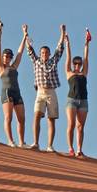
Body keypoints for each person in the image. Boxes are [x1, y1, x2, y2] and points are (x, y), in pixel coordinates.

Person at [26, 24, 67, 152]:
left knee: (51, 119)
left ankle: (49, 146)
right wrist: (25, 33)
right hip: (40, 92)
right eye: (42, 52)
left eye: (46, 52)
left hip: (51, 92)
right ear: (40, 53)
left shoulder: (53, 60)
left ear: (49, 54)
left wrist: (62, 32)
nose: (44, 54)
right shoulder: (36, 61)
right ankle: (36, 143)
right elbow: (29, 49)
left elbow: (60, 48)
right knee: (37, 115)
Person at [0, 24, 29, 148]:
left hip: (17, 93)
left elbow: (20, 53)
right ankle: (10, 140)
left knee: (22, 118)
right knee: (8, 117)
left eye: (10, 56)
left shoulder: (14, 66)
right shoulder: (0, 67)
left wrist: (24, 36)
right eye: (6, 56)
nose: (8, 58)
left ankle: (22, 142)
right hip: (7, 92)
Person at [65, 28, 92, 157]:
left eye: (79, 63)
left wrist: (87, 43)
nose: (77, 65)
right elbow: (68, 56)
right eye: (75, 63)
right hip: (72, 100)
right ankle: (70, 148)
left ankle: (79, 149)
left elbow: (86, 56)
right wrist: (67, 43)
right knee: (71, 124)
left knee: (80, 126)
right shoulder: (69, 73)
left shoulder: (84, 73)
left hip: (83, 101)